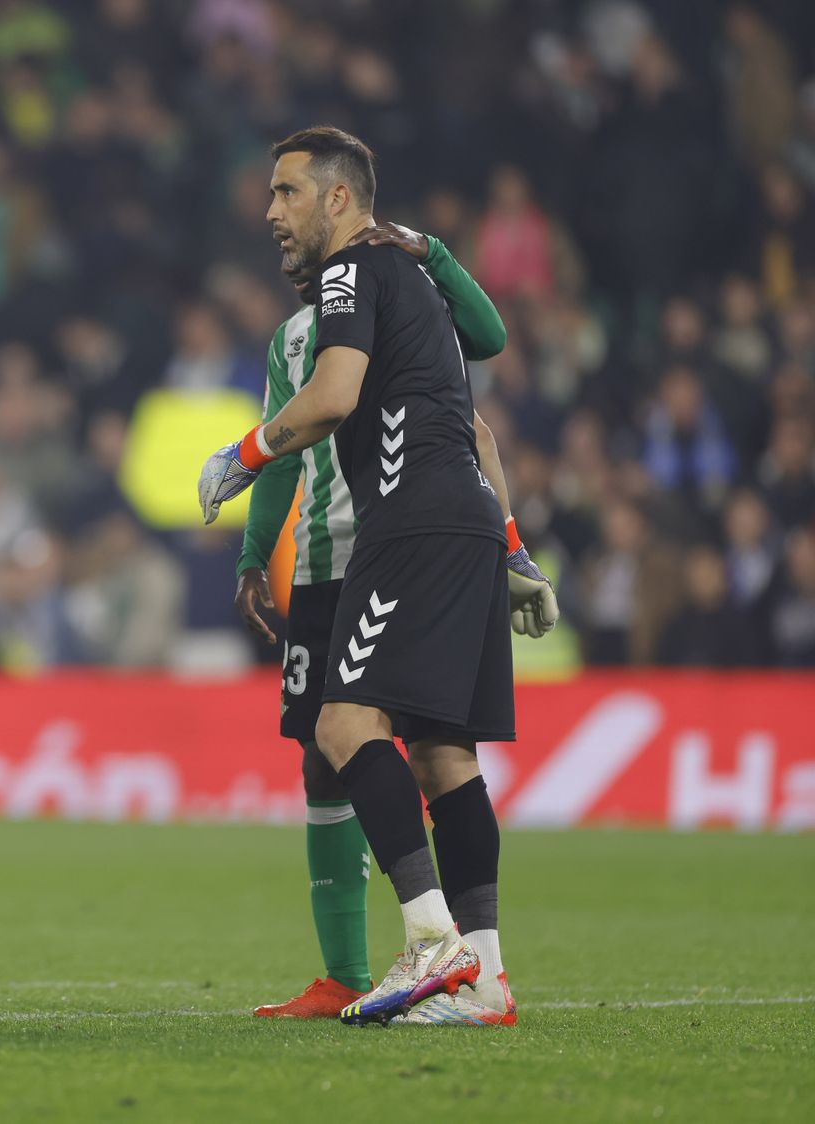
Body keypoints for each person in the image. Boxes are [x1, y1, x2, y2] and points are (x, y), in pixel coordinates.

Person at [200, 126, 557, 1026]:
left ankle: (433, 941)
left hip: (407, 526)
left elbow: (332, 397)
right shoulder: (422, 294)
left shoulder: (352, 273)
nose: (270, 211)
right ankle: (485, 981)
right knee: (442, 754)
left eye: (286, 193)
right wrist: (510, 545)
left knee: (342, 722)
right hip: (464, 520)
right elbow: (475, 431)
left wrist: (243, 453)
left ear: (339, 199)